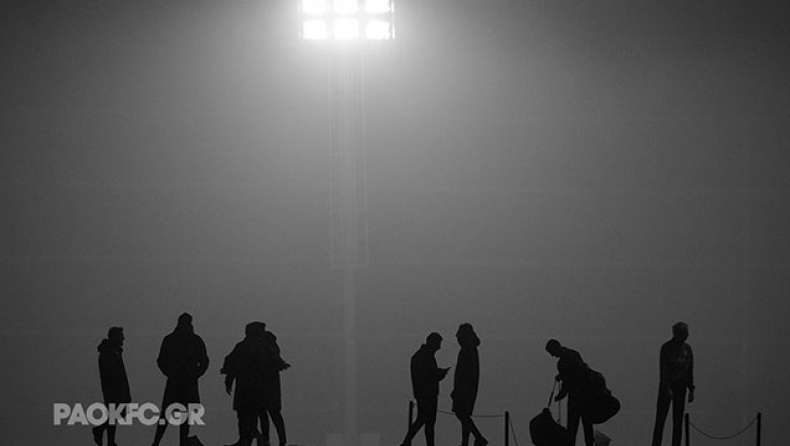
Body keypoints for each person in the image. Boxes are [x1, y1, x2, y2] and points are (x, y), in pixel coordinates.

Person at [152, 313, 210, 446]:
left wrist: (195, 374)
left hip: (186, 383)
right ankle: (157, 442)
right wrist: (172, 373)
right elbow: (162, 361)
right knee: (167, 415)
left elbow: (204, 361)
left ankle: (179, 442)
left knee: (183, 415)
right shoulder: (172, 340)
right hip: (177, 382)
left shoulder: (194, 340)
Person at [222, 322, 270, 446]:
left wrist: (229, 378)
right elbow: (232, 362)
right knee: (247, 414)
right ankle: (248, 439)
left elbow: (230, 363)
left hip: (249, 386)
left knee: (247, 414)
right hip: (251, 387)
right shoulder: (256, 348)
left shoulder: (245, 347)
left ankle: (248, 439)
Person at [399, 332, 450, 446]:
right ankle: (408, 442)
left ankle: (407, 442)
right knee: (427, 422)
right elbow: (427, 376)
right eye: (438, 344)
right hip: (427, 394)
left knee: (423, 420)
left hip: (424, 394)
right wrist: (439, 374)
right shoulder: (424, 357)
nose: (439, 347)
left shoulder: (421, 356)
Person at [651, 322, 695, 446]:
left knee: (678, 421)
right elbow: (663, 370)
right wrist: (666, 388)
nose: (687, 335)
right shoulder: (666, 348)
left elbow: (689, 369)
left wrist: (691, 388)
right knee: (661, 420)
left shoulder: (687, 349)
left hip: (681, 387)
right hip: (667, 388)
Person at [545, 339, 594, 446]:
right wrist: (561, 376)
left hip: (577, 397)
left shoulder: (563, 361)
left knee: (572, 426)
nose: (552, 356)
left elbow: (570, 377)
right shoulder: (573, 353)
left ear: (555, 348)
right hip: (586, 394)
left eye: (551, 353)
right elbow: (576, 371)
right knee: (587, 424)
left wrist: (561, 394)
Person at [92, 326, 131, 446]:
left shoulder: (114, 352)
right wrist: (117, 391)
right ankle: (101, 432)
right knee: (115, 414)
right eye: (121, 336)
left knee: (114, 415)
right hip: (113, 390)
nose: (123, 338)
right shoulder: (109, 353)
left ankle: (109, 440)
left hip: (117, 390)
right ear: (115, 337)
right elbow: (111, 375)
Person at [451, 323, 488, 446]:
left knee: (462, 414)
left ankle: (478, 437)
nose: (457, 338)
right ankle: (466, 441)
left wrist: (460, 388)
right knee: (464, 415)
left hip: (465, 389)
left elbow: (466, 371)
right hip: (466, 388)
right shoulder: (469, 349)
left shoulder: (468, 349)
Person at [261, 328, 291, 446]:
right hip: (272, 385)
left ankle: (266, 440)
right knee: (274, 414)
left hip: (263, 385)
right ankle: (281, 440)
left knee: (263, 414)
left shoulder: (261, 346)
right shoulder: (272, 346)